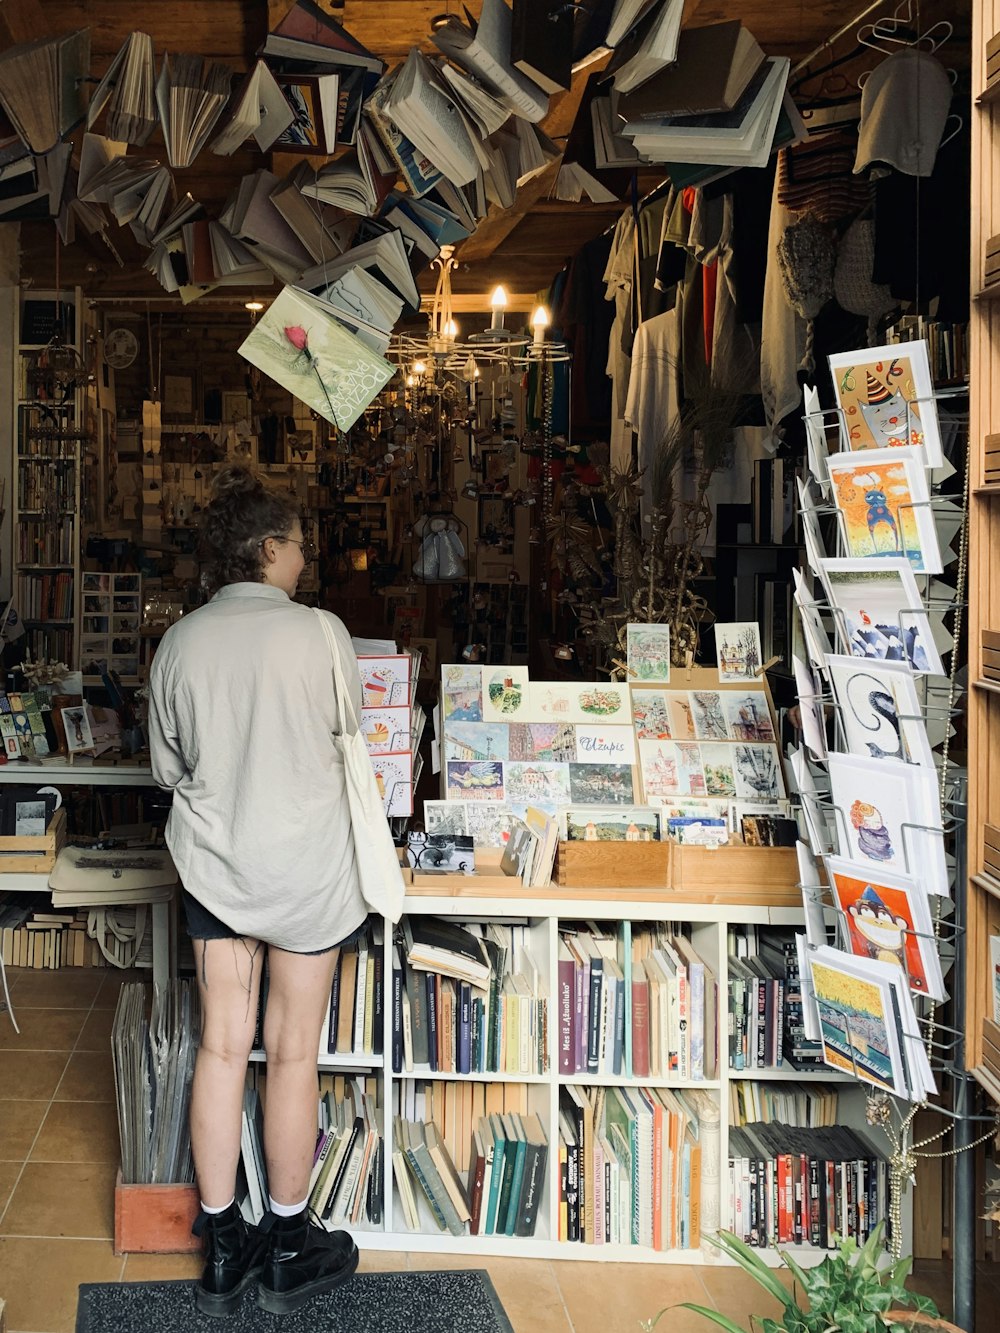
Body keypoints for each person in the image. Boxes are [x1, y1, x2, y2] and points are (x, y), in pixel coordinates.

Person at [148, 466, 365, 1317]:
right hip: (307, 870)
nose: (305, 562)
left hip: (217, 869)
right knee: (294, 1051)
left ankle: (222, 1238)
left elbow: (168, 769)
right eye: (299, 546)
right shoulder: (321, 634)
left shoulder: (180, 642)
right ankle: (285, 1236)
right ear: (268, 548)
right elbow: (349, 732)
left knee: (221, 1046)